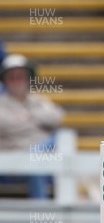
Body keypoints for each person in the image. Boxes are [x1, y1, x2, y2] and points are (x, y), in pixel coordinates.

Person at [0, 54, 65, 199]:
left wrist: (25, 118)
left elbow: (57, 117)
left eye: (20, 77)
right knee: (36, 161)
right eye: (12, 77)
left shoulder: (39, 101)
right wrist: (36, 121)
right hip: (11, 161)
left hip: (41, 157)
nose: (17, 81)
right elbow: (4, 124)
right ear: (5, 80)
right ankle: (42, 210)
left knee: (59, 140)